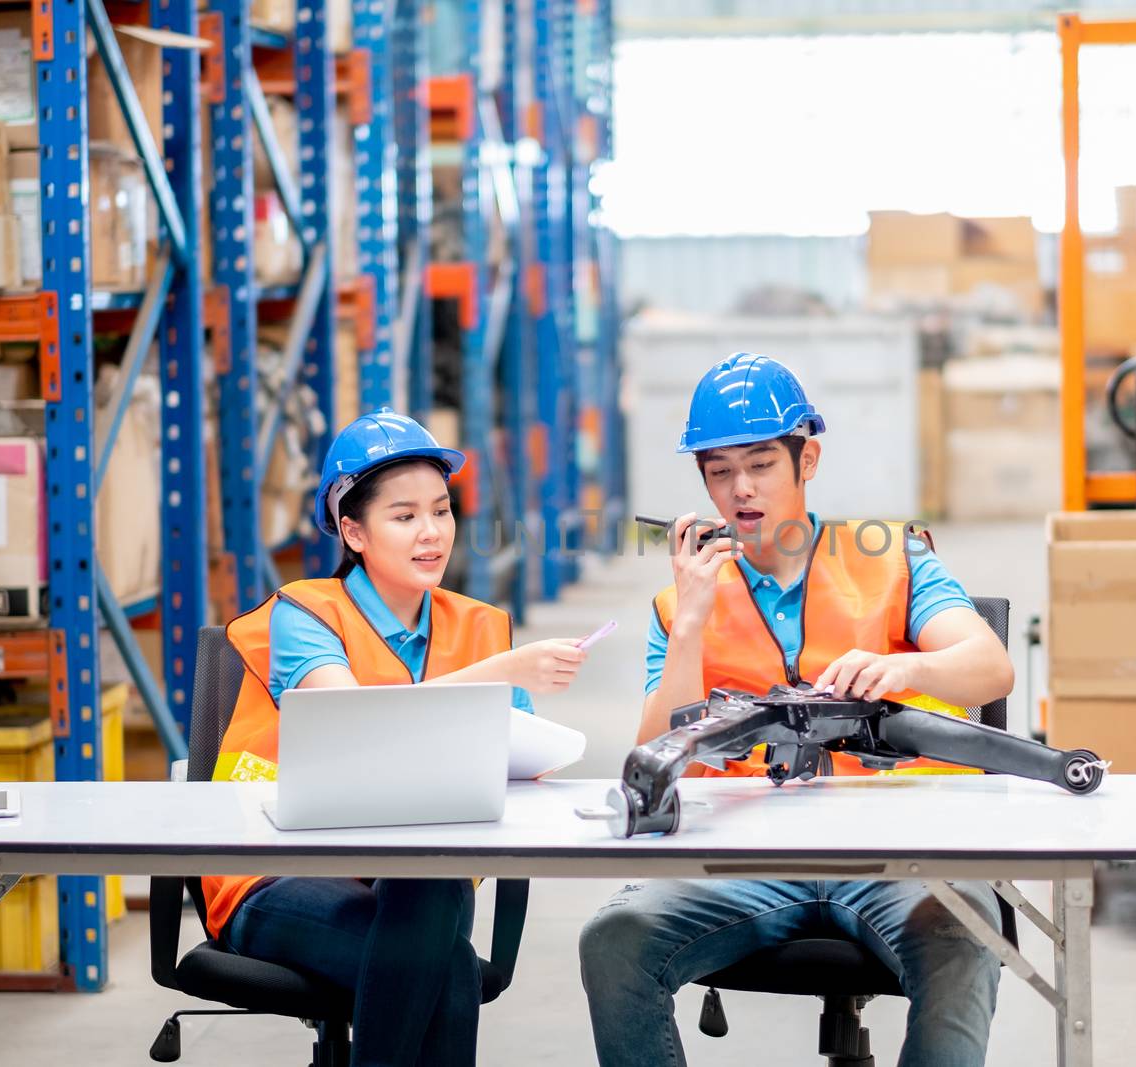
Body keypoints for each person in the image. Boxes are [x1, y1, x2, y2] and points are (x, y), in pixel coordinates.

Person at [578, 353, 1015, 1067]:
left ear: (805, 457)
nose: (740, 489)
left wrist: (904, 666)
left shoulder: (890, 559)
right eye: (719, 471)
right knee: (616, 937)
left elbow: (989, 665)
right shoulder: (682, 597)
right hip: (743, 857)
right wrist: (688, 621)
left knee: (963, 935)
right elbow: (653, 756)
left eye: (760, 464)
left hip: (890, 849)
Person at [203, 409, 591, 1067]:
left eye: (441, 511)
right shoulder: (307, 613)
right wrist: (504, 672)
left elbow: (519, 768)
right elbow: (355, 726)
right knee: (449, 975)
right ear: (353, 530)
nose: (432, 532)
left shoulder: (480, 624)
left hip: (419, 881)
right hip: (279, 870)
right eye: (404, 516)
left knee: (433, 893)